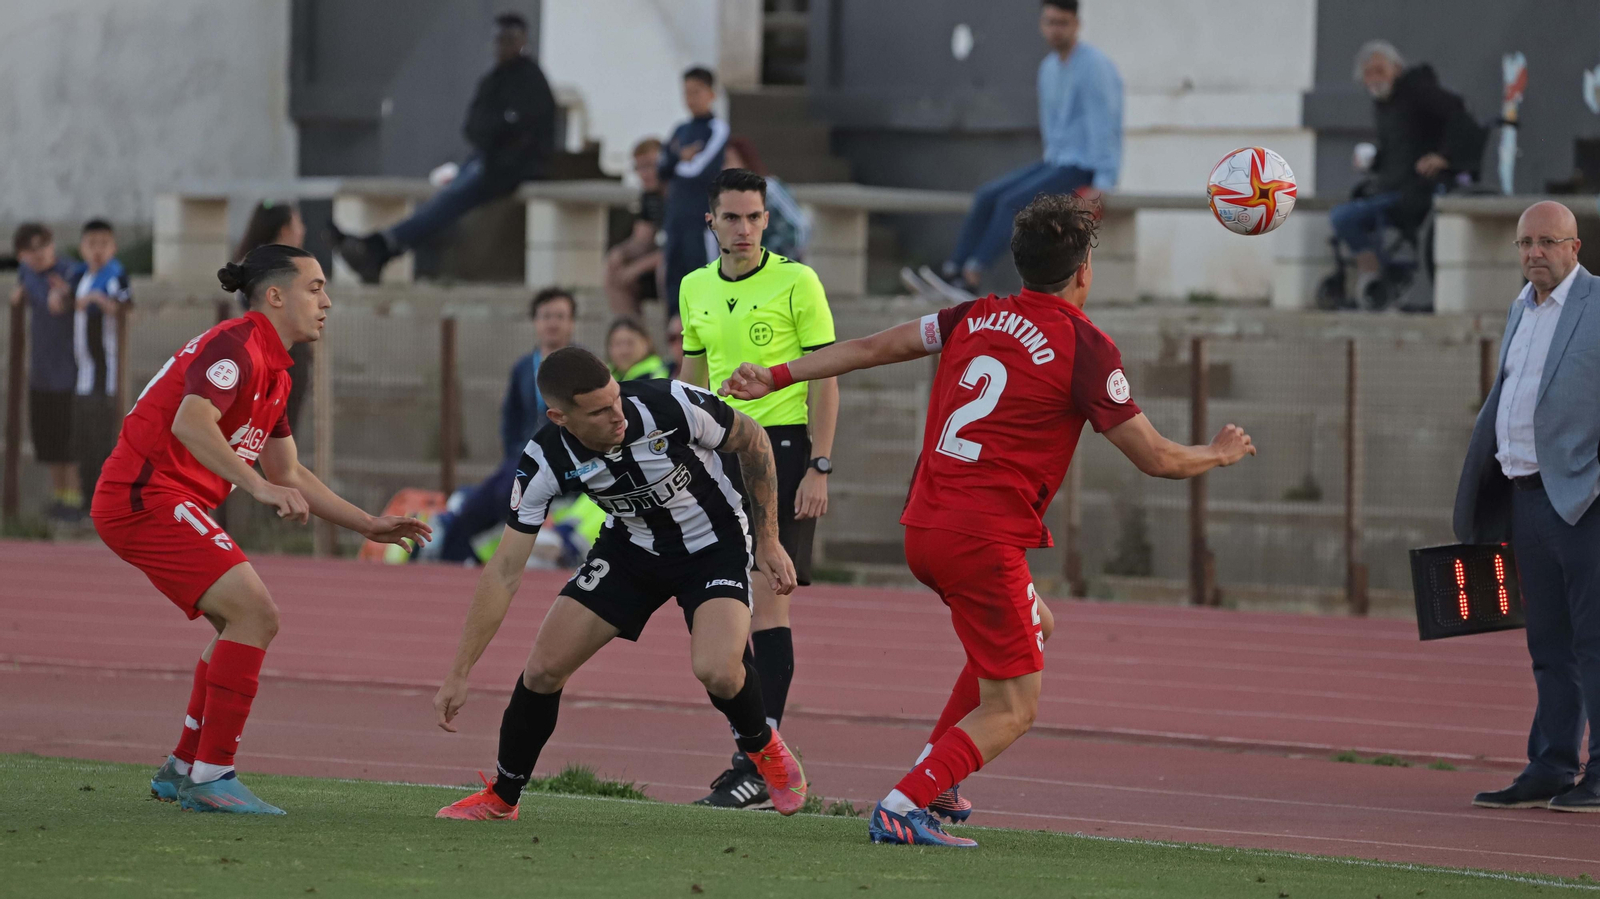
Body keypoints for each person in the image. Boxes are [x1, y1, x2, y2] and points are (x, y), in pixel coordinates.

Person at [721, 194, 1256, 846]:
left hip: (927, 527)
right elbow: (1158, 458)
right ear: (1084, 271)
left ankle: (938, 774)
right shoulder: (1086, 346)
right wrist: (1219, 452)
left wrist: (776, 374)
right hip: (980, 538)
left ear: (1020, 263)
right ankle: (904, 803)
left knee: (1038, 623)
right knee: (1015, 706)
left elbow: (869, 347)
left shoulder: (971, 316)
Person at [90, 245, 430, 814]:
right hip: (143, 497)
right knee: (257, 614)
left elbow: (288, 472)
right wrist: (257, 487)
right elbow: (191, 422)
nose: (326, 302)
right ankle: (212, 777)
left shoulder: (276, 370)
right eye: (315, 288)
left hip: (166, 500)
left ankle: (184, 768)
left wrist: (368, 524)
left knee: (239, 624)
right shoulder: (236, 346)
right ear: (275, 296)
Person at [431, 347, 807, 820]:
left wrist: (769, 540)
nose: (618, 415)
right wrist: (460, 671)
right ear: (560, 417)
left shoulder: (668, 402)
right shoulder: (544, 458)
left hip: (715, 544)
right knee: (543, 670)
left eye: (615, 397)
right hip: (630, 550)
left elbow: (754, 440)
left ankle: (763, 747)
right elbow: (504, 570)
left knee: (717, 669)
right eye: (600, 411)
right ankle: (503, 798)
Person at [677, 168, 839, 810]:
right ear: (711, 222)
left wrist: (820, 464)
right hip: (718, 453)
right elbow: (690, 380)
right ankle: (754, 754)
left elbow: (827, 376)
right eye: (731, 217)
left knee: (770, 604)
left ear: (768, 220)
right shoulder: (694, 287)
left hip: (785, 451)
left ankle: (757, 764)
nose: (744, 229)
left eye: (754, 217)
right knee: (721, 610)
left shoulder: (798, 282)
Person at [1455, 201, 1600, 813]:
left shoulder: (1596, 305)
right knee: (1548, 645)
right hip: (1525, 498)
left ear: (1575, 247)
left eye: (1547, 241)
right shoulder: (1521, 307)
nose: (1534, 253)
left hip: (1584, 504)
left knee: (1595, 642)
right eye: (1525, 243)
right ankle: (1551, 765)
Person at [334, 12, 557, 283]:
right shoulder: (493, 80)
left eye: (509, 40)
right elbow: (475, 127)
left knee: (449, 201)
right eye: (499, 40)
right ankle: (380, 248)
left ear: (522, 42)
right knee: (444, 200)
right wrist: (500, 128)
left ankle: (379, 246)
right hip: (488, 160)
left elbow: (527, 131)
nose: (503, 46)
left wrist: (500, 131)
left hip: (511, 168)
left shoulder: (531, 81)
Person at [941, 0, 1122, 292]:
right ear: (1041, 25)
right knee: (986, 195)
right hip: (1055, 162)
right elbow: (1051, 127)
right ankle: (952, 269)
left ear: (1076, 25)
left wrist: (1103, 183)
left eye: (1063, 23)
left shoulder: (1094, 66)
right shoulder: (1048, 69)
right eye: (1050, 22)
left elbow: (1106, 125)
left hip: (1083, 167)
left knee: (1010, 202)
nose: (1056, 30)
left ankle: (971, 276)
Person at [1330, 40, 1484, 309]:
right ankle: (1379, 276)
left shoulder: (1418, 92)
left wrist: (1444, 156)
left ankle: (1374, 275)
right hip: (1392, 186)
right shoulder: (1385, 104)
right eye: (1369, 74)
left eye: (1380, 71)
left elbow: (1460, 116)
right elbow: (1399, 150)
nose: (1374, 79)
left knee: (1344, 217)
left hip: (1416, 191)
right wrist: (1373, 160)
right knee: (1347, 212)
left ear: (1397, 69)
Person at [434, 287, 576, 564]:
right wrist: (514, 454)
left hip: (563, 465)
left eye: (560, 316)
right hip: (522, 460)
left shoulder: (585, 365)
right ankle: (454, 560)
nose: (553, 323)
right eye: (546, 316)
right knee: (471, 508)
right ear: (536, 322)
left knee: (505, 495)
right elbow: (511, 417)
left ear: (571, 322)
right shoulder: (524, 367)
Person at [10, 223, 80, 519]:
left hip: (70, 372)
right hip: (40, 372)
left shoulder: (70, 271)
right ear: (21, 255)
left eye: (44, 246)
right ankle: (59, 498)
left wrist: (65, 297)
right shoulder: (26, 273)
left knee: (69, 440)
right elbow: (29, 290)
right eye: (31, 250)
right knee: (48, 440)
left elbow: (72, 296)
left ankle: (75, 501)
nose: (39, 254)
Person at [70, 220, 133, 509]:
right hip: (83, 375)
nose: (98, 250)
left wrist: (99, 301)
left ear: (114, 247)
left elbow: (125, 306)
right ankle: (86, 502)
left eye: (104, 244)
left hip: (105, 377)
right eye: (92, 244)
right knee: (84, 443)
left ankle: (104, 505)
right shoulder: (81, 276)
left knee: (103, 444)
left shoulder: (115, 276)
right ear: (82, 248)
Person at [659, 67, 730, 322]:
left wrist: (675, 159)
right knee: (673, 280)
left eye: (696, 92)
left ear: (711, 94)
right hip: (676, 217)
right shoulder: (681, 129)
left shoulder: (717, 129)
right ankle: (675, 333)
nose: (690, 99)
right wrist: (681, 157)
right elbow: (662, 168)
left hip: (700, 219)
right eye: (686, 93)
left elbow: (700, 170)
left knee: (701, 277)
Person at [234, 201, 312, 430]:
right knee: (274, 429)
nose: (303, 230)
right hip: (277, 354)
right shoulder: (278, 267)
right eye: (298, 224)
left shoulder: (250, 262)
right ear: (285, 230)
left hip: (264, 353)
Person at [605, 138, 666, 317]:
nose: (644, 174)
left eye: (650, 165)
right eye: (639, 167)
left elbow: (677, 248)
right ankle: (629, 328)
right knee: (613, 267)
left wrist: (636, 268)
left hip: (685, 264)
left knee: (666, 269)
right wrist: (619, 254)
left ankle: (674, 326)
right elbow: (641, 240)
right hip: (657, 260)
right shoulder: (649, 196)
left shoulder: (681, 195)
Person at [723, 136, 810, 261]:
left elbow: (799, 227)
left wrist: (771, 260)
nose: (723, 168)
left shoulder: (767, 189)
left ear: (744, 161)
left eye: (728, 161)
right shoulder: (723, 198)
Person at [606, 316, 671, 381]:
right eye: (618, 344)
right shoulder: (606, 377)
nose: (624, 350)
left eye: (630, 343)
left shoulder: (659, 375)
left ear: (647, 342)